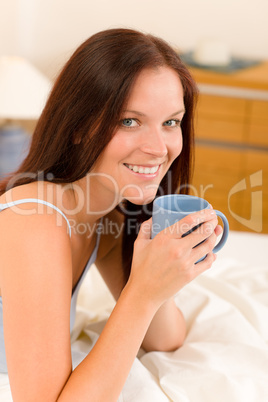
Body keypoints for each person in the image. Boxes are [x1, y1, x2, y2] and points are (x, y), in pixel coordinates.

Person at [0, 28, 222, 401]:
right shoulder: (33, 220)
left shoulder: (108, 214)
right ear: (77, 128)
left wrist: (163, 264)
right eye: (129, 121)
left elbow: (166, 339)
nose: (157, 148)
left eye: (171, 122)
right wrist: (142, 294)